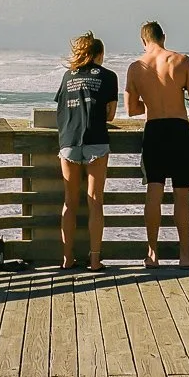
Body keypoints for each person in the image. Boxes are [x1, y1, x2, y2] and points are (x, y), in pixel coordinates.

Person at [124, 21, 189, 269]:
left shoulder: (135, 67)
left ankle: (152, 255)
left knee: (154, 194)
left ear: (143, 41)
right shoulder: (181, 61)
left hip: (154, 131)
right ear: (164, 37)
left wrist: (150, 104)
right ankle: (185, 255)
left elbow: (131, 109)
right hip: (179, 131)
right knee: (182, 196)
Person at [53, 32, 119, 271]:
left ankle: (67, 258)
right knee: (95, 202)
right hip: (96, 139)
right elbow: (110, 114)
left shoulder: (67, 76)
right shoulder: (109, 76)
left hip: (68, 140)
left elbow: (60, 109)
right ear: (98, 54)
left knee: (70, 203)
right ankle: (94, 260)